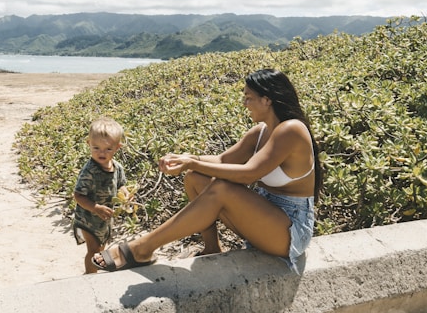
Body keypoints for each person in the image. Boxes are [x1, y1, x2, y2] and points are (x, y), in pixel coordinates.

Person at [92, 68, 323, 274]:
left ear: (267, 100)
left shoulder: (291, 130)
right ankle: (211, 248)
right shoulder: (260, 131)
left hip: (291, 231)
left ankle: (142, 248)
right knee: (196, 178)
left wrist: (193, 162)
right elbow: (223, 159)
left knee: (222, 188)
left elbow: (248, 174)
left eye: (248, 98)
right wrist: (187, 159)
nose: (245, 103)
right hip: (266, 218)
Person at [73, 116, 132, 274]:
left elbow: (121, 185)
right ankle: (90, 275)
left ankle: (95, 271)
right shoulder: (89, 171)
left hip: (105, 219)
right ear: (88, 144)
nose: (101, 153)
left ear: (117, 148)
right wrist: (95, 208)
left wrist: (125, 194)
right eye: (96, 148)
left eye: (108, 149)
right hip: (88, 218)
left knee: (101, 248)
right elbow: (78, 196)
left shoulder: (117, 167)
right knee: (93, 251)